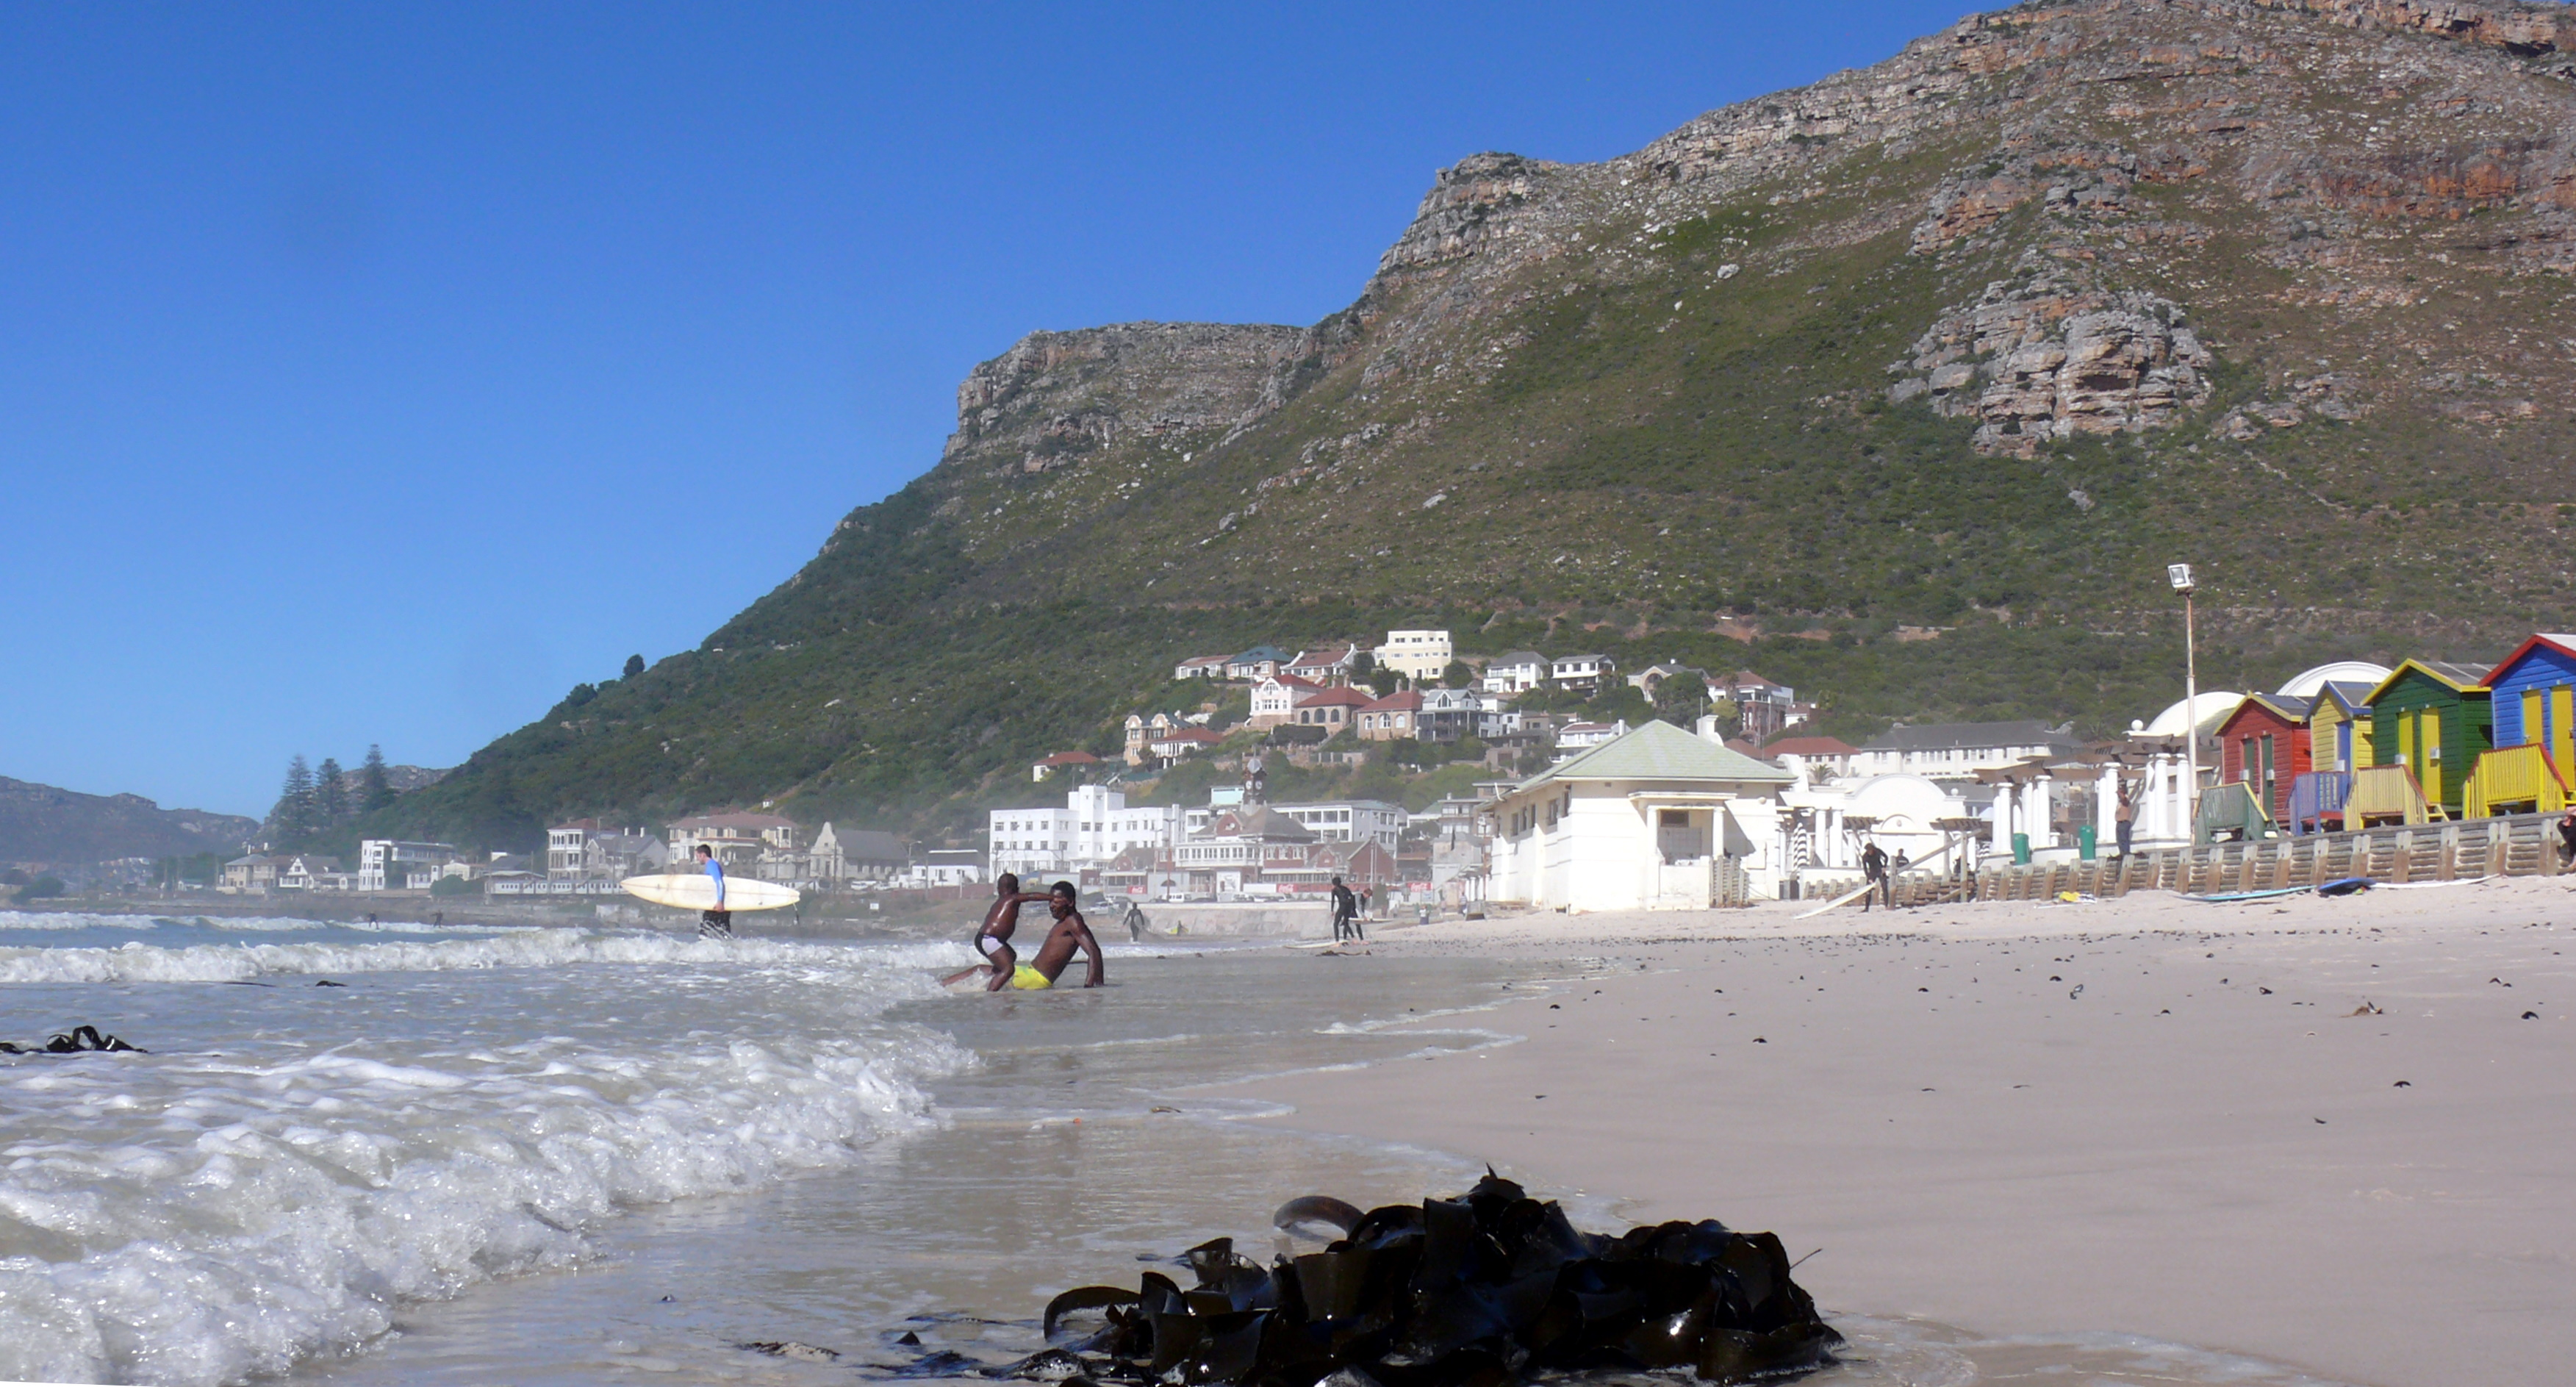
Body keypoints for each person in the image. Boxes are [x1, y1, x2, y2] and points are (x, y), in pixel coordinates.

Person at [940, 873, 1055, 992]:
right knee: (1008, 969)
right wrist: (1052, 898)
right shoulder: (1012, 898)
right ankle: (991, 993)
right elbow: (1031, 896)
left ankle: (947, 983)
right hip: (990, 939)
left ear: (998, 889)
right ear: (1017, 890)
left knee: (1011, 957)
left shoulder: (1001, 901)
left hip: (984, 939)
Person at [1010, 881, 1105, 990]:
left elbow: (1094, 951)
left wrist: (1090, 987)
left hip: (1036, 979)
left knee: (991, 976)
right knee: (993, 971)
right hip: (1028, 972)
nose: (1051, 905)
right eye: (1050, 901)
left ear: (1070, 902)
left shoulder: (1073, 921)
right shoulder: (1065, 922)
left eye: (1055, 901)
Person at [695, 844, 732, 939]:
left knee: (705, 930)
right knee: (722, 933)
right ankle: (728, 950)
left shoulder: (712, 865)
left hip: (718, 905)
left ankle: (704, 950)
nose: (697, 859)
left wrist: (720, 901)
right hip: (718, 904)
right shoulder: (712, 865)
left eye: (698, 856)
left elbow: (720, 883)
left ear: (703, 855)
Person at [1859, 840, 1888, 912]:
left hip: (1880, 869)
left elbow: (1886, 857)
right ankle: (1867, 908)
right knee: (1868, 890)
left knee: (1884, 887)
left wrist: (1884, 867)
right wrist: (1869, 878)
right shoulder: (1865, 857)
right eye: (1868, 850)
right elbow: (1865, 869)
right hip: (1872, 872)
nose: (1870, 852)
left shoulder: (1877, 851)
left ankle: (1886, 906)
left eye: (1871, 850)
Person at [1329, 875, 1359, 942]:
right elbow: (1352, 897)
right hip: (1349, 908)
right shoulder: (1346, 888)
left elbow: (1333, 900)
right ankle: (1354, 938)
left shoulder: (1334, 890)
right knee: (1345, 923)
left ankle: (1337, 941)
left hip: (1342, 907)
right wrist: (1352, 908)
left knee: (1336, 924)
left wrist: (1332, 910)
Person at [2115, 784, 2136, 857]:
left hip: (2124, 822)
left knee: (2124, 838)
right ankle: (2122, 853)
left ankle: (2126, 853)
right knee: (2119, 839)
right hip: (2119, 822)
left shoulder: (2126, 800)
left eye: (2120, 793)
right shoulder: (2120, 802)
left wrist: (2121, 793)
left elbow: (2124, 799)